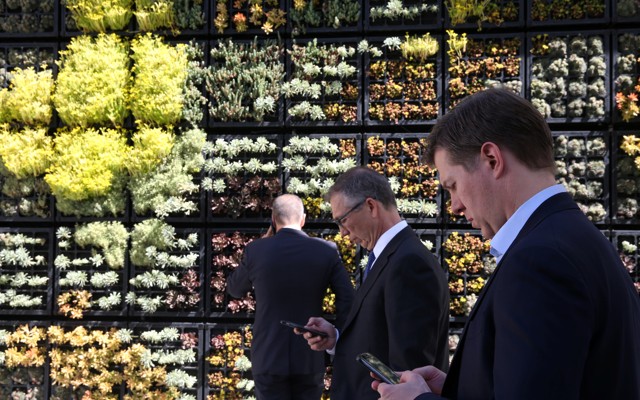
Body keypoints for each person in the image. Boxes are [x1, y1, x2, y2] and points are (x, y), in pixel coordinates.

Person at [373, 88, 640, 399]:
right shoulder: (575, 238)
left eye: (453, 186)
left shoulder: (540, 261)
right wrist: (457, 388)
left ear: (491, 159)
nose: (454, 206)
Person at [297, 166, 450, 400]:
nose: (342, 233)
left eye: (343, 220)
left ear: (370, 206)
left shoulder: (408, 262)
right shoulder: (392, 255)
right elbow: (379, 337)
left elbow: (409, 375)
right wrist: (337, 339)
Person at [227, 194, 354, 400]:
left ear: (273, 219)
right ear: (303, 219)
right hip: (310, 354)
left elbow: (234, 289)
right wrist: (338, 340)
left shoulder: (256, 249)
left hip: (267, 355)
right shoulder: (326, 250)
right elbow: (347, 299)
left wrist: (261, 246)